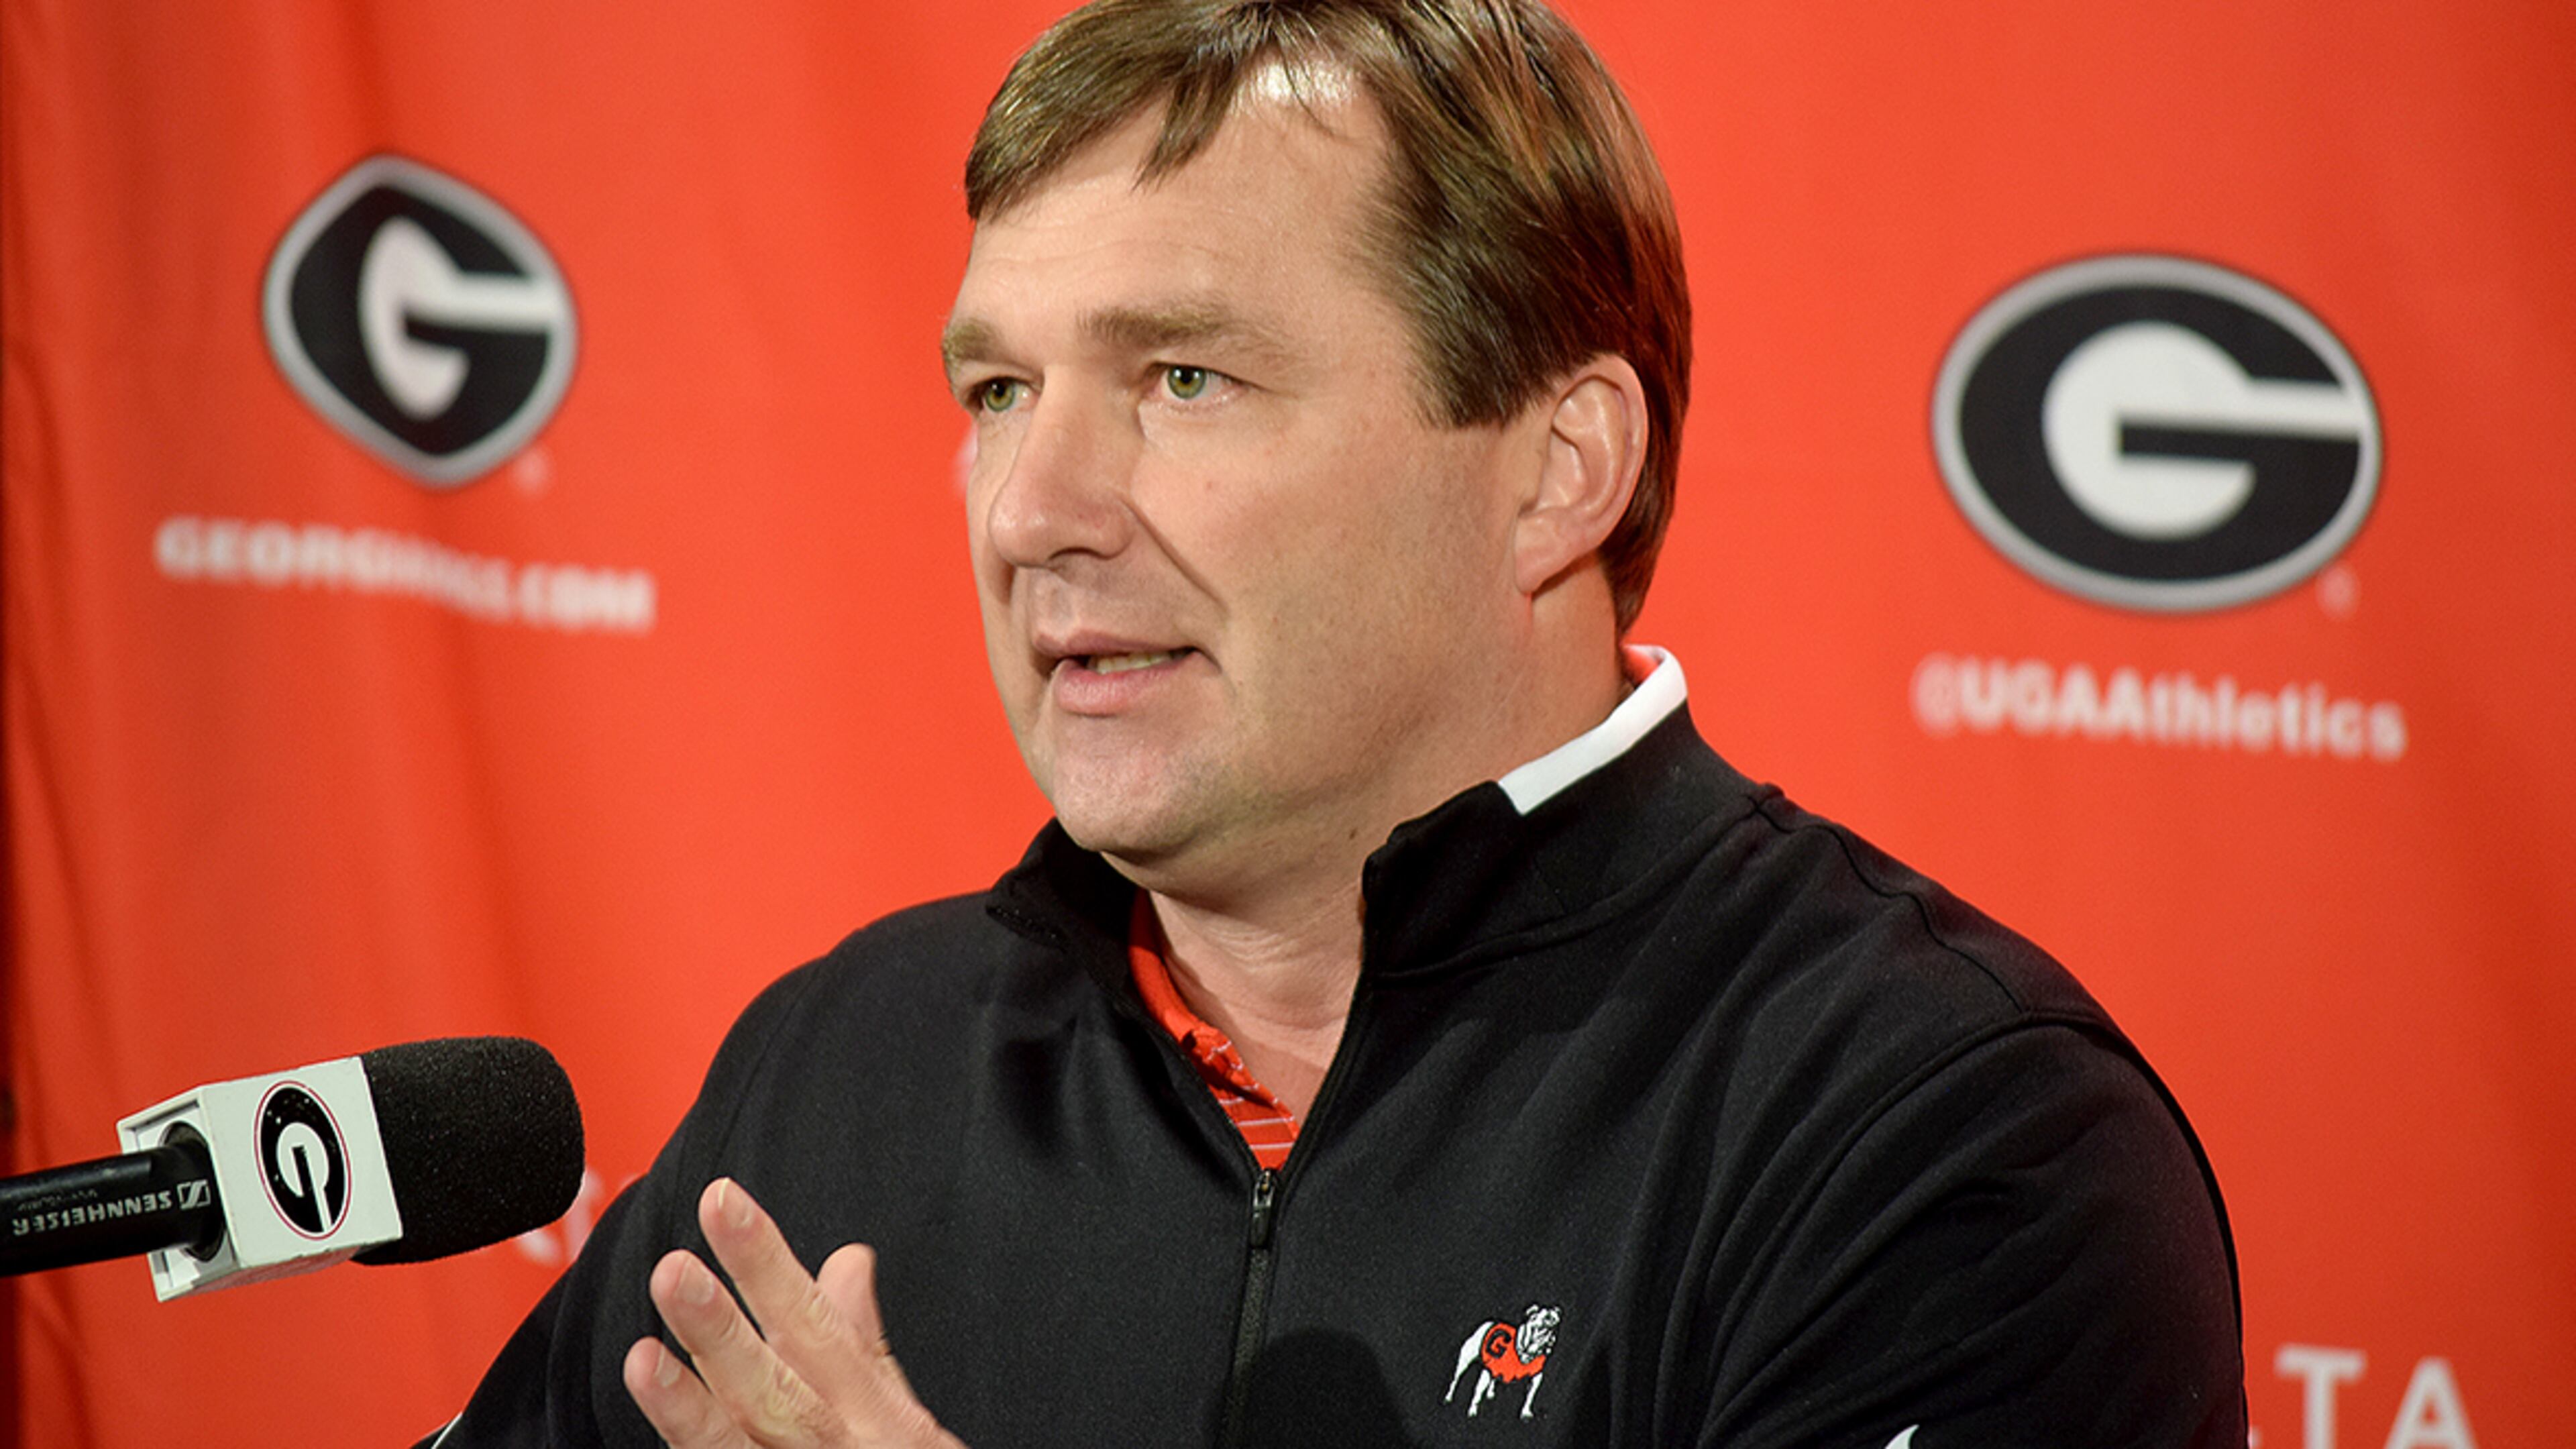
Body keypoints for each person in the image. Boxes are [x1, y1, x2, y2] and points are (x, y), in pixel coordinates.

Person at [429, 1, 2245, 1444]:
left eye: (1185, 378)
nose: (1029, 507)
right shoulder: (837, 1072)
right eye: (998, 387)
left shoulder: (1937, 1145)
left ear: (1557, 471)